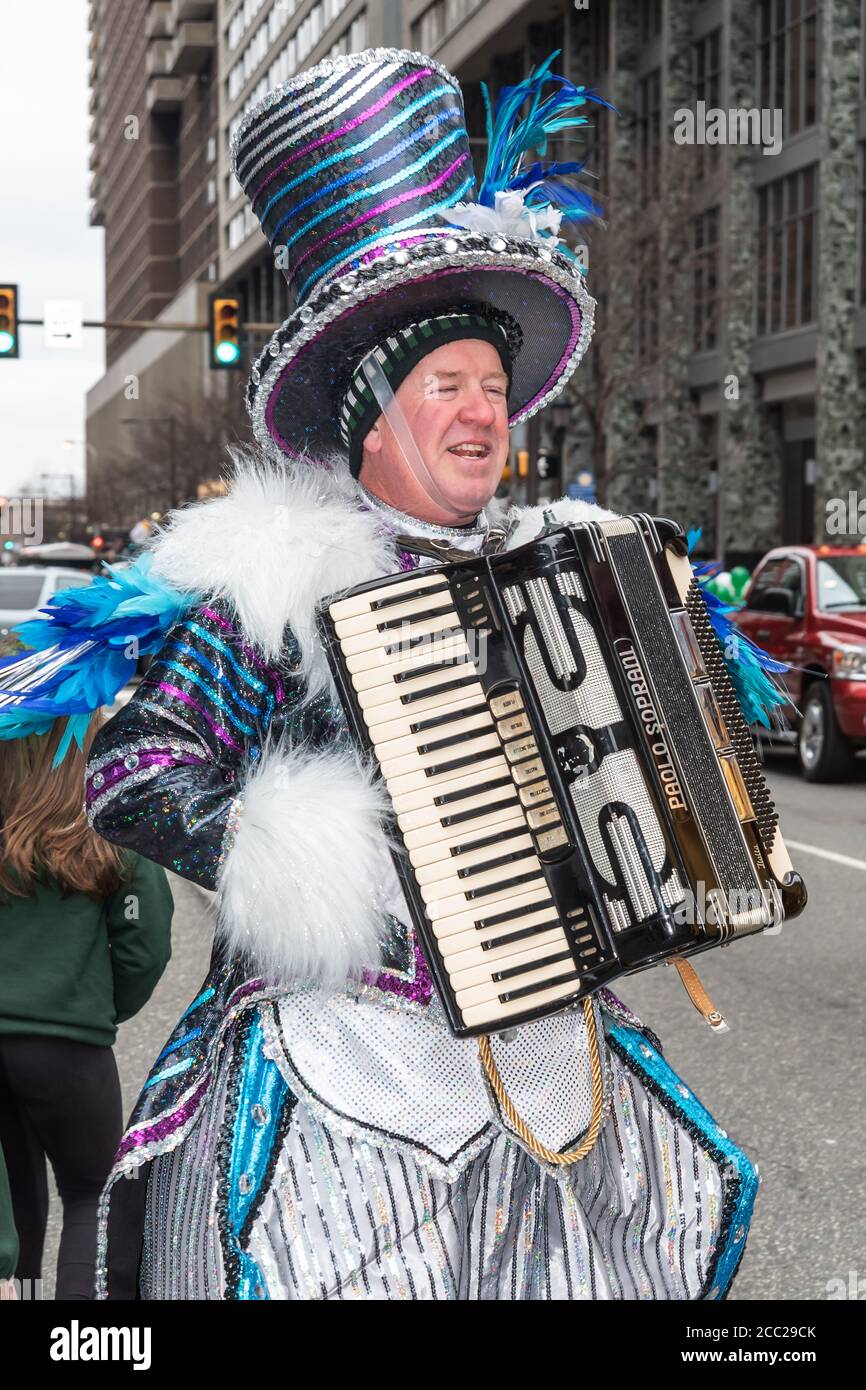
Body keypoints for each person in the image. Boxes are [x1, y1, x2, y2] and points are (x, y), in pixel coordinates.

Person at [4, 50, 761, 1300]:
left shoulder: (569, 568)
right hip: (339, 1059)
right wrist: (324, 860)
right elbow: (139, 770)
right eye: (446, 385)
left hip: (542, 1056)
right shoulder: (280, 576)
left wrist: (671, 837)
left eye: (492, 387)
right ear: (371, 414)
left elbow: (652, 798)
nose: (482, 412)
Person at [0, 716, 173, 1299]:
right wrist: (97, 1007)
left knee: (14, 1201)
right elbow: (145, 944)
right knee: (89, 1194)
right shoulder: (104, 823)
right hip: (68, 1046)